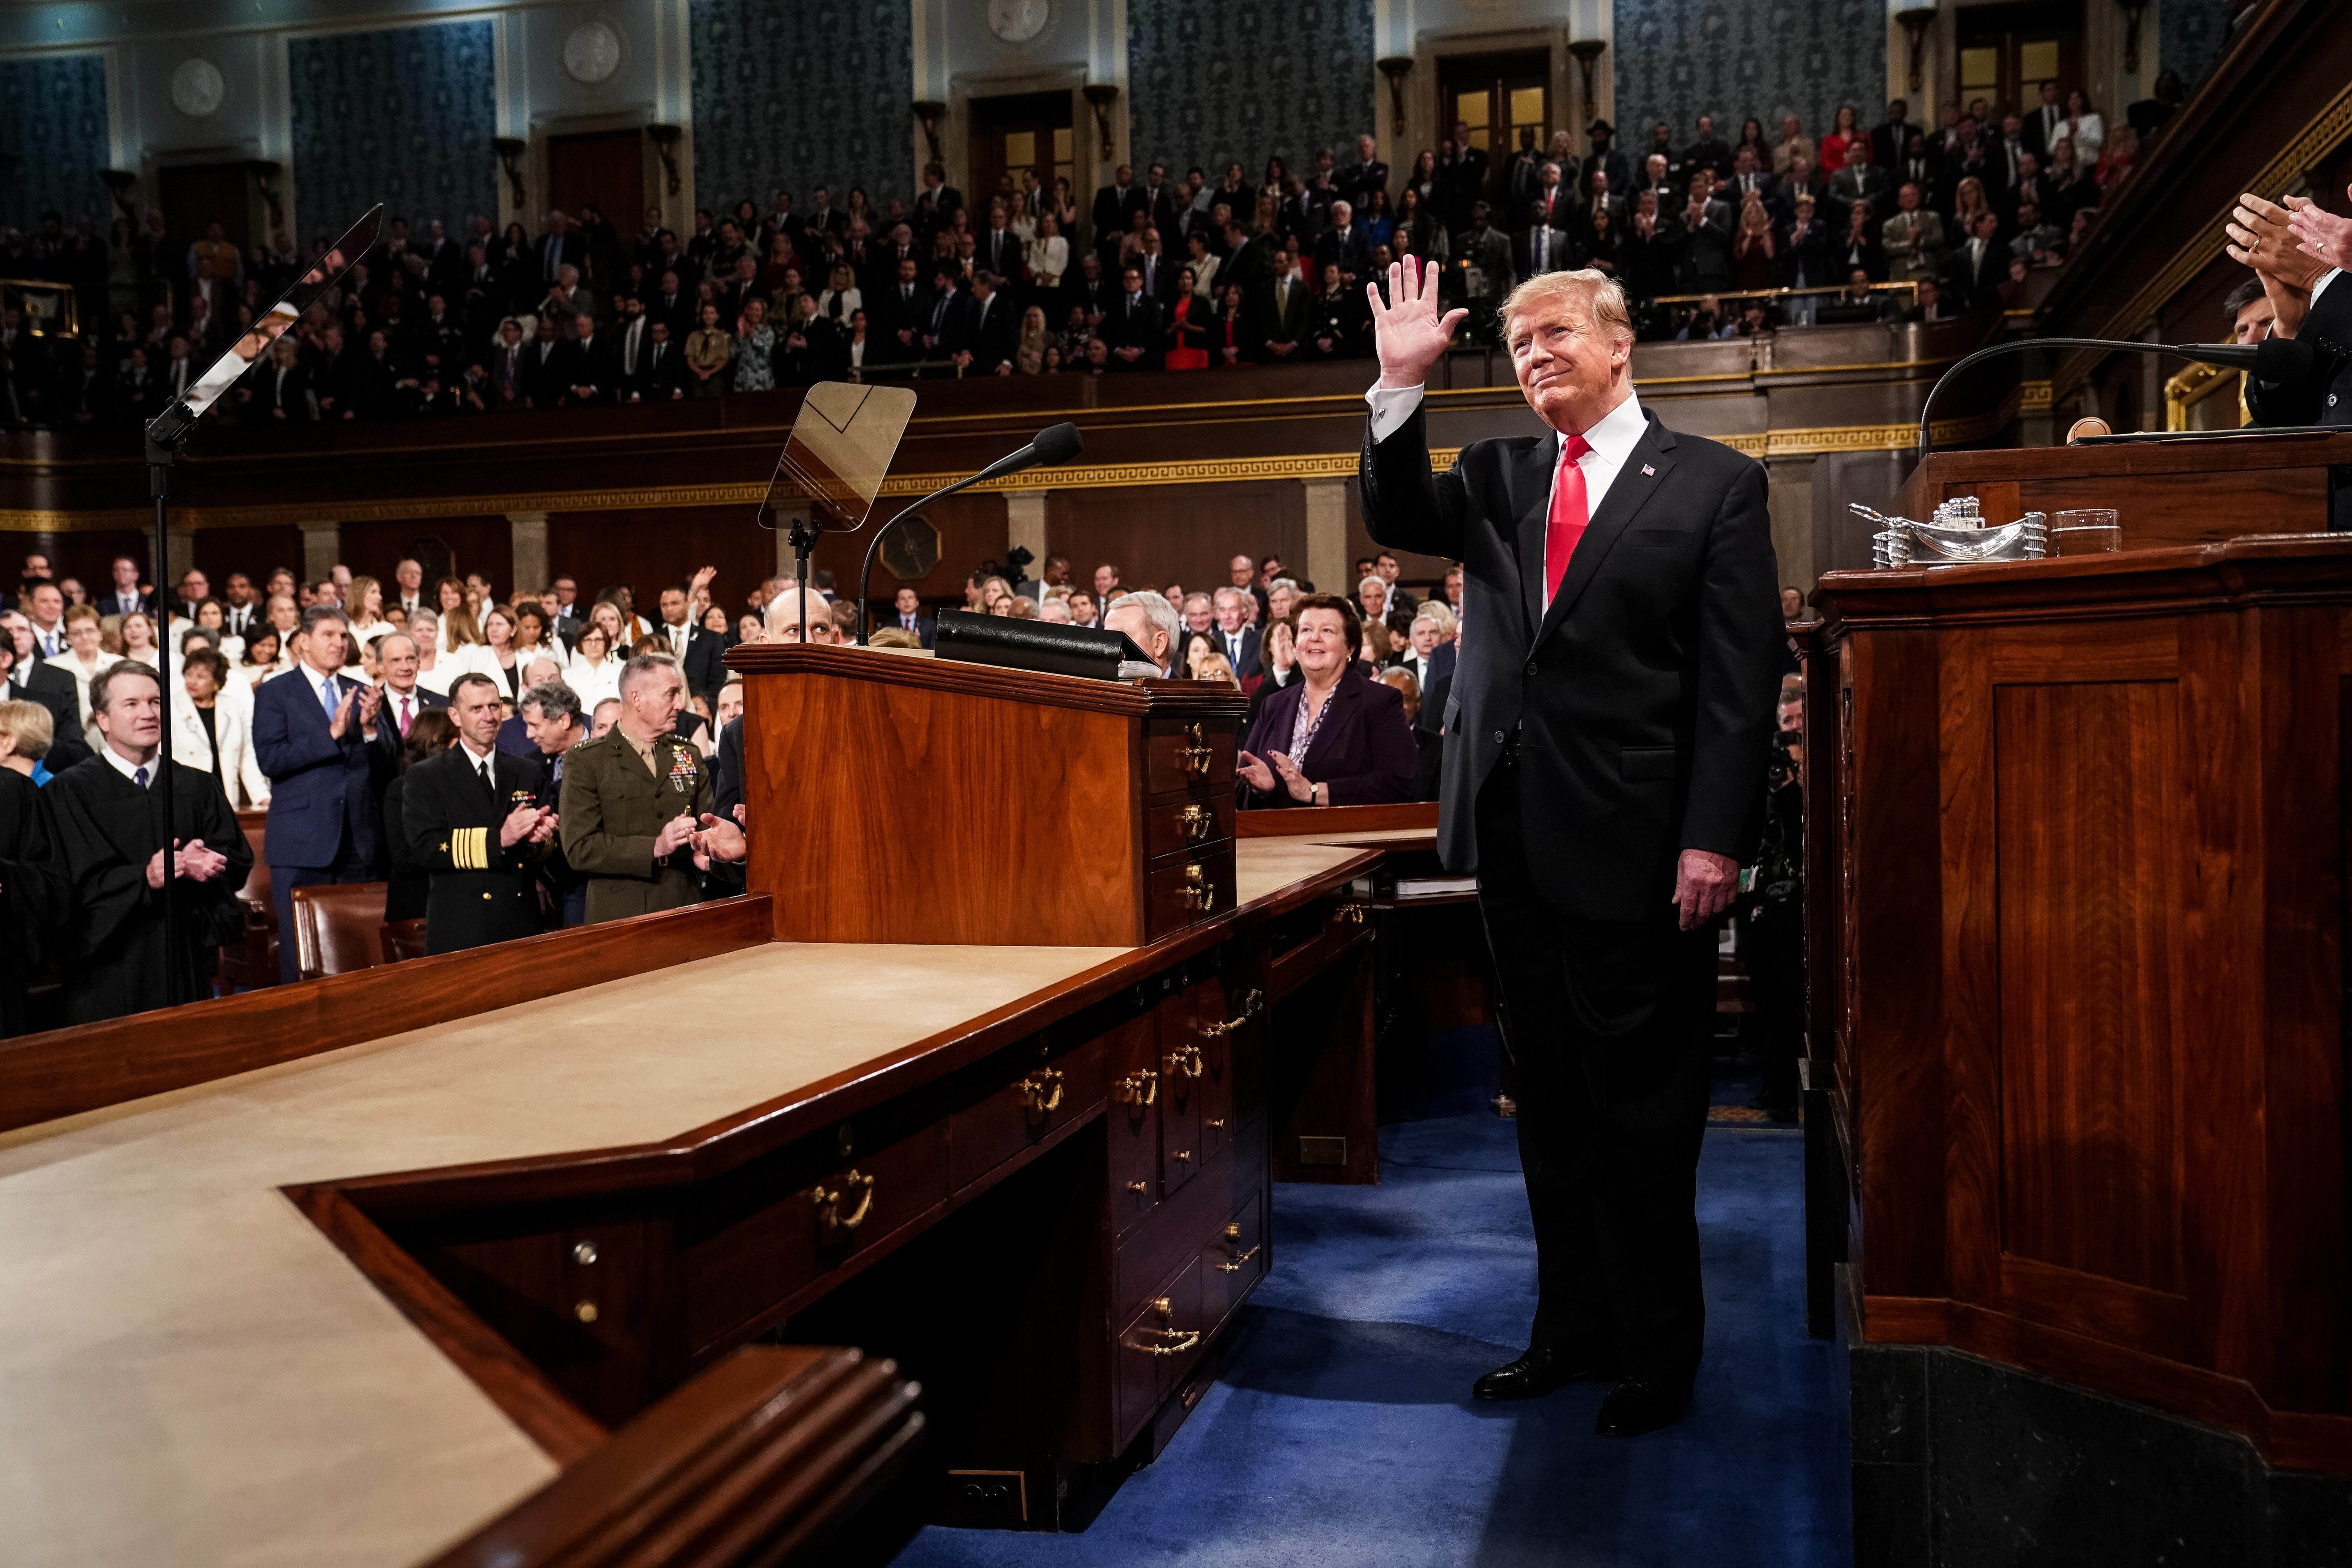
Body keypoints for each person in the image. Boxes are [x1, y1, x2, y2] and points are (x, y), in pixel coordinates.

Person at [1358, 258, 1780, 1436]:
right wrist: (1397, 386)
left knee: (1643, 1113)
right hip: (1517, 844)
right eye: (1515, 341)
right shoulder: (1494, 475)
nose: (1532, 354)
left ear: (1616, 341)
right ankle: (1567, 1329)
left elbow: (1738, 685)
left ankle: (1655, 1353)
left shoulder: (1713, 485)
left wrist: (1713, 839)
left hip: (1647, 854)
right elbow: (1396, 518)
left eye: (1552, 333)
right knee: (1546, 1106)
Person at [40, 661, 251, 1022]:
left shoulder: (197, 786)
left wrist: (209, 863)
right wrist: (145, 878)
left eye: (155, 703)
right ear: (102, 719)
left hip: (184, 956)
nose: (149, 714)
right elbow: (65, 883)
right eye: (132, 704)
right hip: (108, 968)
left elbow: (237, 860)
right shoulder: (69, 791)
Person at [250, 606, 385, 983]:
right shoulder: (276, 692)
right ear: (304, 641)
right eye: (329, 635)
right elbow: (271, 759)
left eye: (344, 636)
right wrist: (331, 735)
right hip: (303, 843)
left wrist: (372, 727)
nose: (340, 643)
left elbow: (385, 761)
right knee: (303, 953)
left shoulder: (358, 691)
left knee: (357, 950)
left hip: (358, 840)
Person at [403, 673, 558, 955]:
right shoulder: (427, 776)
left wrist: (540, 840)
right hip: (462, 927)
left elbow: (543, 853)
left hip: (520, 920)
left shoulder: (526, 771)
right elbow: (426, 848)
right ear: (455, 716)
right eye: (477, 709)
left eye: (495, 706)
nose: (489, 716)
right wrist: (499, 839)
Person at [559, 654, 714, 923]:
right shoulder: (587, 760)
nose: (680, 704)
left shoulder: (688, 754)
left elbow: (706, 826)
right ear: (637, 699)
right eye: (671, 695)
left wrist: (705, 850)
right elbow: (580, 848)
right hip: (620, 916)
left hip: (684, 909)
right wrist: (655, 846)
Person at [1235, 594, 1417, 809]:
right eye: (1306, 630)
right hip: (1275, 838)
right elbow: (1240, 786)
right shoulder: (1274, 705)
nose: (1315, 638)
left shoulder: (1379, 702)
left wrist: (1313, 791)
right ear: (1295, 645)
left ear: (1350, 648)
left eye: (1327, 631)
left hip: (1345, 838)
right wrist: (1263, 789)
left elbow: (1399, 783)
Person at [380, 707, 457, 924]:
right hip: (418, 910)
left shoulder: (464, 784)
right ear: (440, 743)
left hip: (458, 905)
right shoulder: (401, 790)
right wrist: (467, 851)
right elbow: (404, 860)